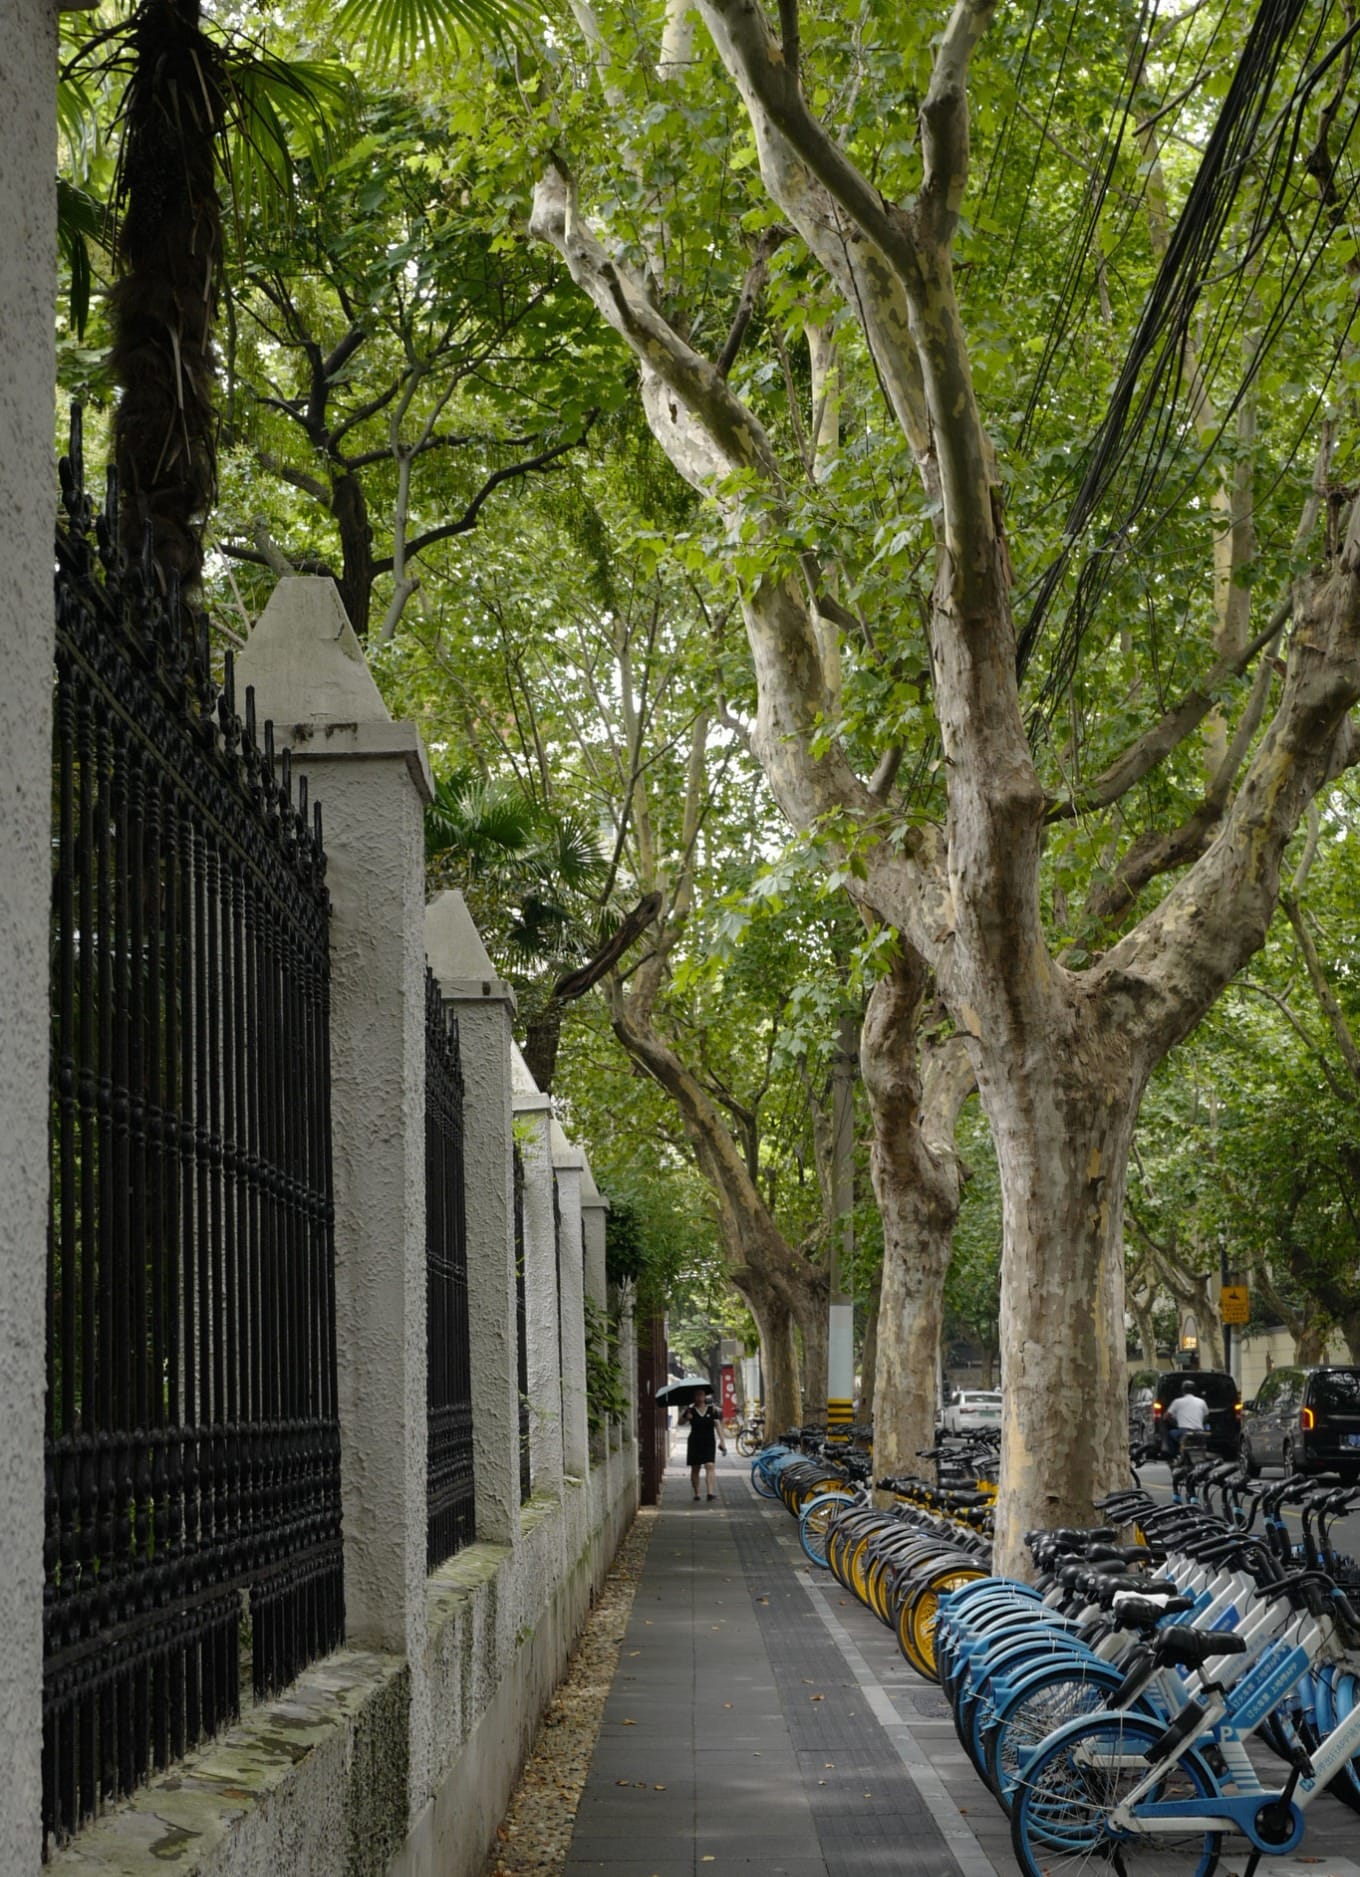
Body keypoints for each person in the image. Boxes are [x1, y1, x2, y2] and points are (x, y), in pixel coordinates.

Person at [679, 1388, 726, 1501]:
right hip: (695, 1441)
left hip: (709, 1441)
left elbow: (717, 1425)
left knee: (710, 1465)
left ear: (705, 1396)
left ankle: (710, 1493)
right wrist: (685, 1416)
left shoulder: (712, 1409)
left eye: (701, 1395)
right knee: (696, 1467)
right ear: (694, 1397)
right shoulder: (690, 1410)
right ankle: (697, 1493)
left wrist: (722, 1440)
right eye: (697, 1395)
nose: (699, 1398)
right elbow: (680, 1423)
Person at [1164, 1380, 1210, 1458]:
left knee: (1170, 1434)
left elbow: (1166, 1417)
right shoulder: (1201, 1402)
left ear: (1183, 1390)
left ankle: (1174, 1456)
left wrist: (1175, 1423)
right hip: (1199, 1432)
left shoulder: (1177, 1402)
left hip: (1184, 1432)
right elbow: (1206, 1416)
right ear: (1194, 1390)